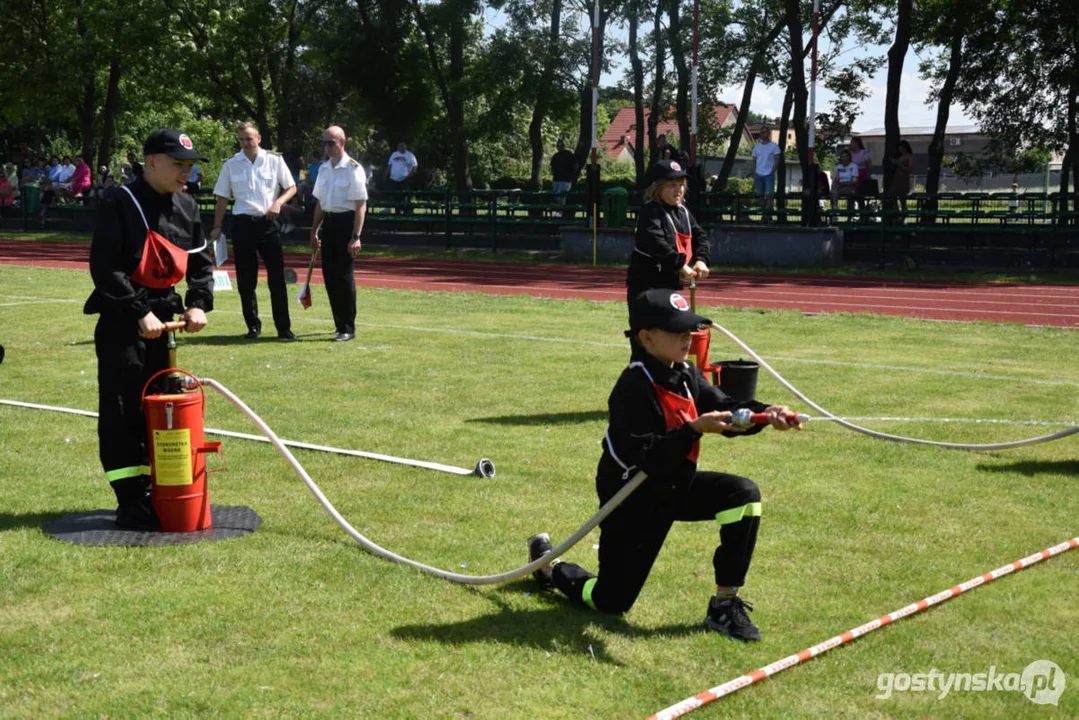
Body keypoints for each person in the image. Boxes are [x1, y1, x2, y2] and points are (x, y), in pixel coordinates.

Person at [527, 288, 801, 641]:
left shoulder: (686, 373)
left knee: (743, 495)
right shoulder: (631, 386)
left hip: (675, 485)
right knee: (610, 602)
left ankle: (724, 605)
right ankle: (550, 567)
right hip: (633, 500)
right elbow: (649, 457)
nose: (687, 337)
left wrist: (766, 415)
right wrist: (693, 430)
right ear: (647, 337)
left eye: (689, 329)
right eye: (676, 331)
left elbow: (726, 407)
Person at [83, 128, 214, 530]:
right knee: (123, 410)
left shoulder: (188, 206)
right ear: (152, 162)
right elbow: (105, 268)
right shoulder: (118, 203)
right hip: (123, 322)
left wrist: (197, 303)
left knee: (163, 407)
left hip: (164, 320)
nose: (186, 173)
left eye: (190, 166)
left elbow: (201, 264)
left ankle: (161, 487)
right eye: (178, 165)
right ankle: (130, 499)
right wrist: (138, 312)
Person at [211, 121, 298, 340]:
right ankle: (253, 326)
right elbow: (222, 197)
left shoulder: (274, 160)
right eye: (241, 140)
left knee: (276, 278)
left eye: (249, 139)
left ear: (258, 138)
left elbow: (291, 187)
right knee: (246, 279)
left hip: (267, 223)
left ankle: (283, 328)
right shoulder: (231, 164)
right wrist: (217, 226)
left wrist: (278, 203)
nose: (245, 144)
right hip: (242, 224)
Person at [310, 125, 367, 342]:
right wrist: (314, 231)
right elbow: (320, 204)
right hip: (330, 224)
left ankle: (348, 327)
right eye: (324, 143)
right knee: (329, 277)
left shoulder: (353, 168)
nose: (327, 147)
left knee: (344, 277)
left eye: (331, 143)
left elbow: (361, 204)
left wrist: (356, 236)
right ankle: (338, 324)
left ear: (342, 142)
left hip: (345, 223)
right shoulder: (324, 169)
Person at [626, 159, 710, 304]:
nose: (678, 190)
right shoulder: (650, 210)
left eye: (681, 185)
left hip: (669, 284)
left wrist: (701, 260)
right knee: (651, 326)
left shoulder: (683, 211)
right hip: (647, 285)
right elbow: (656, 243)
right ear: (658, 187)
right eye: (671, 185)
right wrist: (680, 265)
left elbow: (700, 236)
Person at [751, 129, 782, 222]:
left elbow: (777, 160)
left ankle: (768, 215)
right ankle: (763, 215)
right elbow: (753, 160)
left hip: (768, 174)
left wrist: (772, 171)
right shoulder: (756, 147)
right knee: (761, 196)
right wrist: (754, 172)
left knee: (769, 196)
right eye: (761, 132)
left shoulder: (774, 146)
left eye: (764, 132)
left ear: (768, 134)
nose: (762, 134)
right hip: (758, 174)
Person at [386, 142, 418, 215]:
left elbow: (415, 167)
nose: (401, 148)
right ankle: (397, 212)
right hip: (393, 179)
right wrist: (386, 175)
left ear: (405, 147)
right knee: (395, 197)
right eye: (400, 147)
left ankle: (406, 212)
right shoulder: (394, 154)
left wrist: (409, 176)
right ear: (398, 148)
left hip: (404, 180)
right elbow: (389, 165)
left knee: (404, 197)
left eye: (403, 146)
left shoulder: (410, 155)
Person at [887, 140, 913, 212]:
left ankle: (903, 215)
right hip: (896, 179)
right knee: (892, 197)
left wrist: (899, 164)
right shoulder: (900, 156)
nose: (900, 150)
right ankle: (896, 213)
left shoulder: (909, 156)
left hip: (903, 180)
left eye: (901, 148)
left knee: (902, 199)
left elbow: (909, 169)